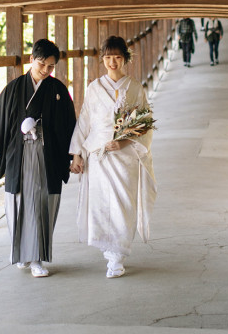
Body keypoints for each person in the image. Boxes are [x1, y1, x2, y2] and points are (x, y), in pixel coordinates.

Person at [0, 39, 77, 278]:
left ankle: (36, 259)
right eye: (41, 64)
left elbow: (70, 126)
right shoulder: (13, 89)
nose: (45, 70)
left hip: (47, 156)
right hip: (18, 155)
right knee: (19, 203)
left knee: (42, 204)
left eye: (51, 67)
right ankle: (24, 254)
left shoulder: (58, 90)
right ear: (31, 59)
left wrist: (75, 155)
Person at [69, 36, 157, 278]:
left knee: (123, 204)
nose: (112, 62)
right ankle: (110, 253)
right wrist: (77, 153)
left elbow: (145, 123)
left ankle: (118, 255)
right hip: (98, 154)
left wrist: (125, 140)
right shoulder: (94, 87)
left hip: (125, 155)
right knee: (101, 204)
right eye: (107, 57)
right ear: (102, 59)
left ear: (125, 59)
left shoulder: (135, 87)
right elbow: (85, 120)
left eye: (117, 57)